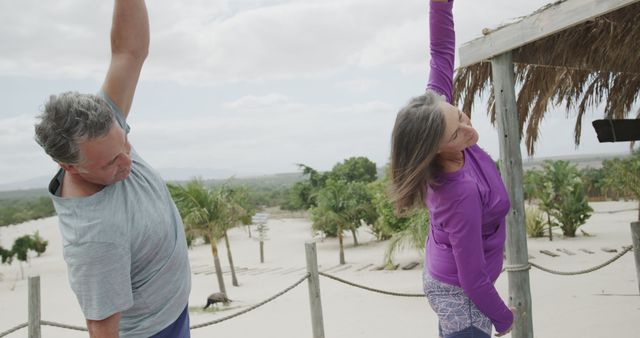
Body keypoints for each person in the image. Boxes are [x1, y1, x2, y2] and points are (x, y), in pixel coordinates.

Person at [34, 1, 191, 337]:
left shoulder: (102, 127)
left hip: (173, 308)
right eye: (111, 162)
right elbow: (102, 330)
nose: (127, 162)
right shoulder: (94, 239)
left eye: (125, 143)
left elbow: (129, 51)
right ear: (69, 166)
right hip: (153, 331)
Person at [389, 1, 515, 337]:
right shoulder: (458, 192)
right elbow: (472, 278)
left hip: (447, 274)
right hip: (461, 295)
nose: (469, 130)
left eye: (460, 115)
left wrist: (440, 4)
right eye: (456, 133)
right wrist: (504, 319)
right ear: (434, 149)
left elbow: (441, 50)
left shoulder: (436, 110)